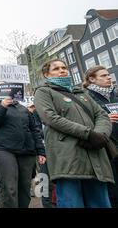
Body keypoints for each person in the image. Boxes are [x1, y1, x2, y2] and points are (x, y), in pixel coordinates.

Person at [34, 59, 114, 208]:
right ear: (46, 74)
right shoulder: (43, 92)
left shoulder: (81, 92)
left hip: (94, 154)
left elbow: (101, 115)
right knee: (72, 203)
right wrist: (88, 134)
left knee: (100, 202)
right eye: (56, 69)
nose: (62, 70)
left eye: (64, 67)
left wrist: (100, 135)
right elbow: (50, 118)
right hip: (67, 157)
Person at [0, 85, 46, 208]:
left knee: (24, 187)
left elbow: (34, 130)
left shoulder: (23, 108)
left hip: (26, 151)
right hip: (3, 149)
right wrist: (2, 106)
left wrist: (40, 151)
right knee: (9, 186)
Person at [83, 65, 118, 208]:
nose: (109, 77)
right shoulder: (85, 97)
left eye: (108, 75)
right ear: (92, 79)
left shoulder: (115, 94)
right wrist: (104, 119)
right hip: (105, 147)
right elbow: (82, 121)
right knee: (113, 188)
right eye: (103, 76)